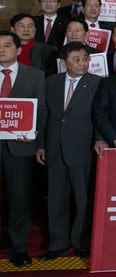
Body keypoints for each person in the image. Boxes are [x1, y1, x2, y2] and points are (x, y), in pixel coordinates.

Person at [36, 42, 99, 260]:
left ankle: (81, 242)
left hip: (83, 149)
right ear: (63, 63)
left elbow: (100, 116)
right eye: (76, 59)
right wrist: (41, 144)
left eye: (85, 59)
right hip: (54, 149)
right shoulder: (50, 82)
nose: (82, 63)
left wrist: (99, 141)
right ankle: (58, 243)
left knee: (83, 199)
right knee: (56, 199)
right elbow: (44, 114)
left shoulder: (98, 83)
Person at [0, 31, 47, 267]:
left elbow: (42, 110)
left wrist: (35, 132)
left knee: (19, 198)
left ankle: (19, 248)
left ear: (19, 50)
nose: (1, 49)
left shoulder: (35, 76)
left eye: (7, 45)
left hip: (20, 146)